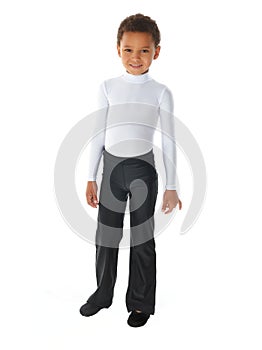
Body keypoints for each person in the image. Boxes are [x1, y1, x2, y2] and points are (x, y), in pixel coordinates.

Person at [80, 13, 182, 327]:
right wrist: (89, 176)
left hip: (142, 173)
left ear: (157, 52)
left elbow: (168, 140)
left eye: (143, 50)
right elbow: (98, 132)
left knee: (142, 239)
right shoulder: (108, 87)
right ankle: (102, 293)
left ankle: (140, 302)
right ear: (118, 49)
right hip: (110, 171)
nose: (135, 57)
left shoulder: (161, 92)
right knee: (106, 236)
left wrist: (171, 185)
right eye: (128, 50)